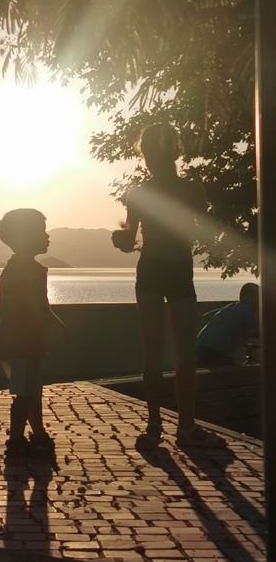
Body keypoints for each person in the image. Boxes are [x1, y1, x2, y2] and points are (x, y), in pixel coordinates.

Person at [111, 124, 207, 450]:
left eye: (153, 155)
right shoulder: (191, 191)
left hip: (160, 270)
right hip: (171, 270)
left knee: (161, 351)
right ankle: (181, 426)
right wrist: (124, 239)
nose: (153, 161)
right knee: (181, 353)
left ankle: (159, 426)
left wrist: (121, 239)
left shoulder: (143, 193)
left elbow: (129, 241)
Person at [0, 208, 60, 457]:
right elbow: (19, 308)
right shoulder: (22, 272)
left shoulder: (28, 270)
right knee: (24, 393)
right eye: (42, 231)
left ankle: (39, 435)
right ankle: (16, 441)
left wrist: (54, 326)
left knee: (32, 391)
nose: (47, 236)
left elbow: (41, 307)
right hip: (21, 344)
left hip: (26, 344)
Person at [197, 282, 259, 368]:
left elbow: (206, 316)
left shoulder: (231, 307)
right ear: (250, 297)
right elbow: (262, 332)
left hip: (198, 350)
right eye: (259, 297)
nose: (260, 301)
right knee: (236, 376)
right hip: (214, 354)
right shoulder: (247, 311)